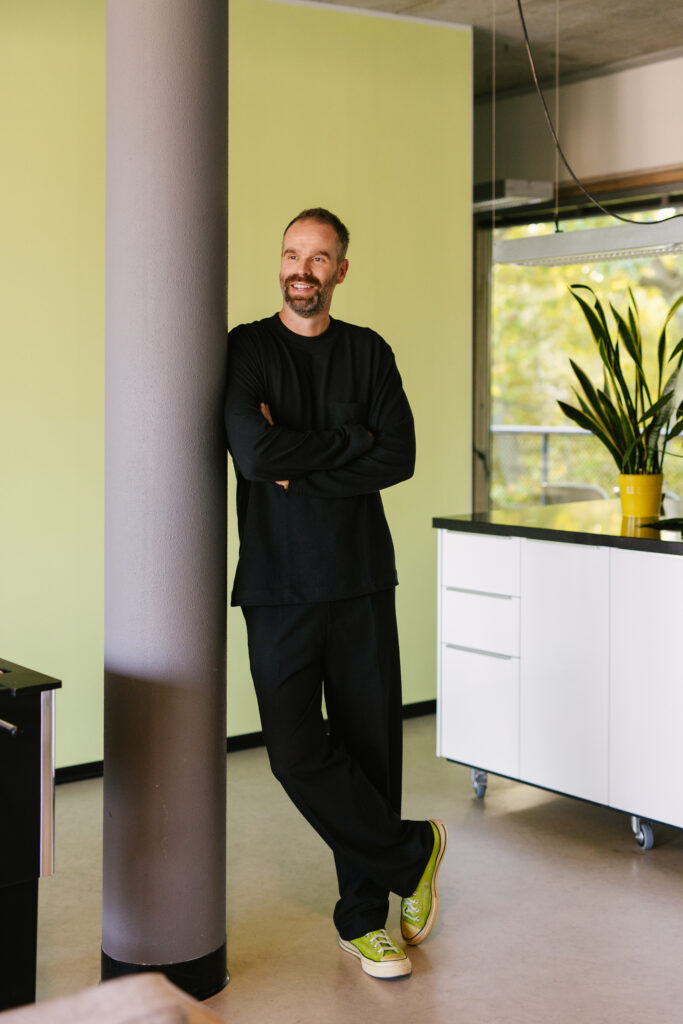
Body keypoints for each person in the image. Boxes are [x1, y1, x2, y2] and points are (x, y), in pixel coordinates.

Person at [224, 208, 446, 980]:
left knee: (369, 750)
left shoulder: (368, 352)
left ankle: (362, 921)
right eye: (292, 254)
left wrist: (304, 465)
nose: (302, 269)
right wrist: (352, 443)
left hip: (359, 581)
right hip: (276, 587)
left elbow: (400, 456)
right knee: (293, 753)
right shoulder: (248, 349)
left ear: (340, 271)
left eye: (319, 258)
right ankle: (413, 853)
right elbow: (255, 455)